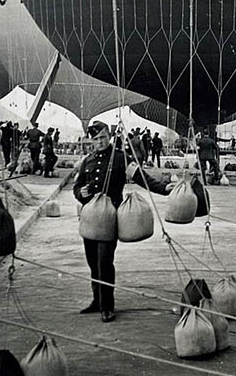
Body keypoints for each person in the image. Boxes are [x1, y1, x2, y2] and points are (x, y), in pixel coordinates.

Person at [73, 121, 171, 322]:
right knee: (92, 261)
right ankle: (97, 301)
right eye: (95, 139)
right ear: (91, 140)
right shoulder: (87, 161)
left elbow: (142, 178)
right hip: (90, 216)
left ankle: (107, 306)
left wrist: (163, 188)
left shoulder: (121, 158)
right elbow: (78, 186)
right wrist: (80, 193)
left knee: (104, 261)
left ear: (109, 136)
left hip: (110, 216)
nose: (99, 142)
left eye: (102, 138)